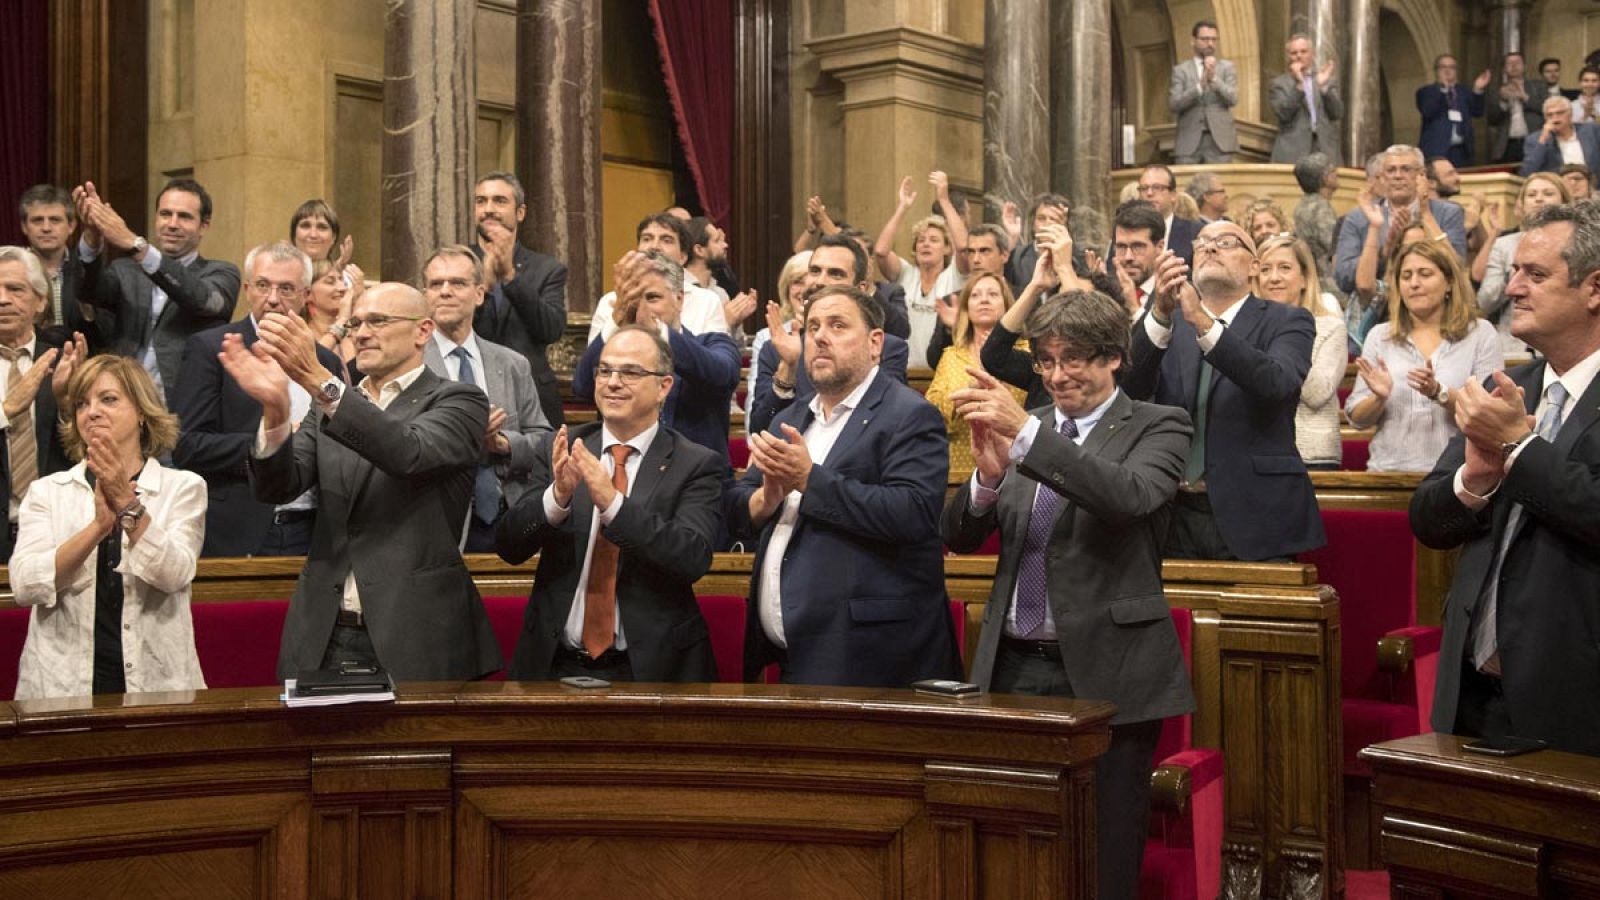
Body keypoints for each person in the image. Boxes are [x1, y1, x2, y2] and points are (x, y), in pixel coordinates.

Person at [943, 289, 1194, 900]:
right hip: (1014, 666)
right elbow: (958, 534)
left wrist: (1028, 435)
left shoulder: (1160, 424)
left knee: (1105, 850)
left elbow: (1125, 497)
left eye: (1073, 359)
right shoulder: (1028, 430)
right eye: (1047, 361)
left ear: (1114, 359)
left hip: (1111, 673)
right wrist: (987, 478)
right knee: (1014, 836)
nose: (1057, 375)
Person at [223, 282, 502, 680]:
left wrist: (320, 381)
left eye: (378, 321)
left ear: (423, 331)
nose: (362, 333)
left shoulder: (459, 399)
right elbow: (277, 488)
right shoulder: (332, 407)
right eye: (355, 323)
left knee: (417, 745)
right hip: (325, 630)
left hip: (416, 631)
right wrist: (275, 411)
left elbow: (409, 452)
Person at [1411, 201, 1600, 756]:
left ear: (1595, 289)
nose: (1512, 288)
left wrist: (1519, 447)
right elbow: (1427, 520)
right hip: (1470, 692)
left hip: (1575, 699)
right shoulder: (1505, 387)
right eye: (1514, 271)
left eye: (1535, 274)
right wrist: (1474, 478)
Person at [728, 285, 961, 687]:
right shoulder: (793, 416)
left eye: (837, 325)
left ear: (875, 344)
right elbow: (736, 503)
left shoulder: (909, 414)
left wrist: (809, 479)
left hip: (870, 658)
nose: (819, 336)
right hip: (788, 656)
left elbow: (913, 513)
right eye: (813, 326)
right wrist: (765, 498)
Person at [496, 326, 724, 683]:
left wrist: (613, 504)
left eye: (630, 372)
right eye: (604, 370)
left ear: (664, 387)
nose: (612, 382)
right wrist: (557, 499)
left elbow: (691, 557)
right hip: (555, 665)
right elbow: (510, 545)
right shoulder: (564, 447)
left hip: (651, 669)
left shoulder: (695, 464)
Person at [1124, 221, 1324, 560]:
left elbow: (1276, 383)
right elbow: (1128, 392)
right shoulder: (1168, 323)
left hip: (1257, 513)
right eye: (1201, 243)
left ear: (1255, 267)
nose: (1210, 247)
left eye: (1227, 242)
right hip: (1171, 512)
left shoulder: (1288, 320)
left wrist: (1203, 323)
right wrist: (1158, 312)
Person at [10, 354, 206, 699]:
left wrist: (128, 506)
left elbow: (174, 573)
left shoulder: (184, 487)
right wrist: (98, 528)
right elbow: (25, 585)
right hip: (60, 684)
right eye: (82, 403)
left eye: (109, 399)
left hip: (156, 682)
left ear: (143, 412)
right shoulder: (47, 492)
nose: (92, 412)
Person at [171, 241, 348, 557]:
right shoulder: (212, 349)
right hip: (239, 526)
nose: (273, 299)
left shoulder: (325, 362)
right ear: (247, 289)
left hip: (313, 528)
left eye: (287, 288)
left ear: (306, 295)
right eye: (264, 286)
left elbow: (340, 432)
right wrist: (272, 444)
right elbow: (187, 445)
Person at [420, 245, 552, 552]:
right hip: (437, 520)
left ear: (479, 294)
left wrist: (503, 444)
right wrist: (466, 438)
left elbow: (543, 441)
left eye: (458, 283)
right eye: (436, 284)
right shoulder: (411, 363)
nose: (446, 292)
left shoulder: (512, 363)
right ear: (425, 295)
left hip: (509, 517)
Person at [72, 178, 240, 402]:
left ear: (204, 226)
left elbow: (202, 300)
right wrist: (92, 237)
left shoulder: (221, 273)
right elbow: (87, 291)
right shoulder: (125, 270)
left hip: (183, 406)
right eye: (165, 214)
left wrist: (136, 245)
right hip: (123, 399)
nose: (172, 223)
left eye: (185, 217)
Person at [1346, 239, 1501, 472]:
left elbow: (1491, 415)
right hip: (1387, 472)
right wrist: (1378, 398)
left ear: (1449, 282)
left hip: (1456, 475)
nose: (1414, 283)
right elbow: (1357, 419)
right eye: (1406, 276)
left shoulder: (1480, 333)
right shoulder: (1380, 336)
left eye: (1425, 274)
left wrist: (1439, 393)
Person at [572, 252, 739, 468]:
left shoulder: (711, 343)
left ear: (679, 299)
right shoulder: (615, 353)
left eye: (652, 298)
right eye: (631, 298)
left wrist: (656, 330)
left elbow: (721, 374)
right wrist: (615, 321)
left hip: (695, 484)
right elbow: (582, 386)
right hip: (622, 478)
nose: (639, 308)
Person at [747, 235, 911, 435]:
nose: (819, 281)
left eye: (835, 274)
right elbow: (761, 430)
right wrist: (788, 369)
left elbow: (886, 424)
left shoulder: (887, 348)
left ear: (860, 289)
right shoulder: (777, 349)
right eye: (815, 271)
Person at [471, 172, 569, 428]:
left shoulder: (547, 268)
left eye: (499, 201)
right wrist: (485, 289)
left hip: (531, 396)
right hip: (471, 388)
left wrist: (511, 279)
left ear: (520, 212)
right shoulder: (456, 264)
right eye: (481, 201)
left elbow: (550, 329)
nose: (488, 209)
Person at [0, 247, 77, 561]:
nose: (2, 299)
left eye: (15, 289)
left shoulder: (65, 363)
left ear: (41, 301)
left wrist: (65, 406)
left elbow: (89, 453)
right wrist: (4, 412)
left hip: (56, 532)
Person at [1256, 236, 1346, 469]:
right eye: (1265, 270)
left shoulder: (1329, 326)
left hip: (1313, 455)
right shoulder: (1248, 328)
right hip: (1258, 450)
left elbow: (1317, 395)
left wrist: (1287, 341)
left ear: (1305, 278)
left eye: (1284, 268)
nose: (1274, 277)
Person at [924, 272, 1029, 471]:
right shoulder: (951, 355)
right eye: (975, 295)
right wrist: (968, 393)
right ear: (966, 309)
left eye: (993, 294)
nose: (984, 299)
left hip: (1019, 468)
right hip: (960, 469)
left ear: (1008, 306)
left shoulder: (1027, 353)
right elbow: (931, 410)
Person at [1334, 144, 1468, 298]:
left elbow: (1458, 267)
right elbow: (1343, 277)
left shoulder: (1448, 213)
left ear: (1422, 175)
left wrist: (1425, 214)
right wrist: (1385, 253)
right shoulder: (1359, 217)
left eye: (1406, 169)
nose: (1397, 176)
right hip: (1378, 306)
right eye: (1391, 170)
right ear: (1383, 178)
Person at [873, 172, 969, 367]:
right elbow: (881, 251)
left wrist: (944, 200)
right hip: (904, 370)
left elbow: (963, 247)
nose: (926, 244)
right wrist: (903, 207)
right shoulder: (906, 273)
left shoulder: (955, 275)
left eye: (934, 240)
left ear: (946, 248)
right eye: (921, 240)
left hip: (942, 371)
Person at [587, 213, 728, 345]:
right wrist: (616, 321)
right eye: (647, 239)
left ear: (683, 257)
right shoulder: (610, 302)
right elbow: (591, 366)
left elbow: (714, 364)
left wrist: (662, 331)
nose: (654, 246)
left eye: (666, 240)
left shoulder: (706, 302)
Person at [1474, 172, 1570, 356]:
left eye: (1548, 193)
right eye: (1532, 195)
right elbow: (1484, 303)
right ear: (1521, 205)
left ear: (1564, 201)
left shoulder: (1578, 245)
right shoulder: (1504, 246)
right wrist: (1511, 276)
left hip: (1564, 344)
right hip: (1513, 350)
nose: (1539, 199)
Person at [17, 185, 95, 342]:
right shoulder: (12, 271)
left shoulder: (87, 270)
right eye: (37, 220)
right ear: (24, 227)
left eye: (55, 220)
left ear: (71, 226)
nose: (46, 228)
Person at [747, 251, 810, 418]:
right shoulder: (767, 338)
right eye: (797, 282)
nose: (804, 291)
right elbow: (755, 419)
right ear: (786, 289)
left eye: (811, 283)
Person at [1169, 20, 1238, 163]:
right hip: (1188, 141)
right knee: (1186, 183)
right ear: (1193, 41)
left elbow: (1233, 98)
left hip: (1220, 141)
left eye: (1214, 39)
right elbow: (1174, 104)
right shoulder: (1181, 70)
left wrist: (1214, 80)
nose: (1210, 44)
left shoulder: (1227, 68)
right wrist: (1199, 87)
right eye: (1205, 39)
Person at [1270, 34, 1344, 165]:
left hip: (1325, 150)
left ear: (1312, 54)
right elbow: (1284, 114)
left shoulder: (1325, 79)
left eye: (1303, 51)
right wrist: (1299, 85)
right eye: (1294, 53)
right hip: (1293, 152)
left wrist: (1324, 88)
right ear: (1289, 57)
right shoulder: (1279, 84)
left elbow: (1337, 113)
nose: (1299, 55)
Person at [1417, 54, 1491, 167]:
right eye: (1443, 67)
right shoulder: (1426, 92)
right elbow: (1428, 111)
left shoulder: (1464, 92)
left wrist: (1477, 89)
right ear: (1436, 71)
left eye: (1451, 67)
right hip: (1437, 150)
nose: (1447, 71)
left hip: (1461, 150)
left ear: (1456, 71)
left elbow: (1477, 112)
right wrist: (1444, 90)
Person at [1133, 165, 1201, 267]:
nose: (1149, 193)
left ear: (1173, 195)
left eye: (1157, 187)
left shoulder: (1194, 232)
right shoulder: (1127, 231)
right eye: (1144, 188)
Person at [1293, 154, 1341, 295]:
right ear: (1325, 179)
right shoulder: (1320, 208)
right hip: (1328, 285)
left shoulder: (1302, 205)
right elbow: (1334, 247)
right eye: (1332, 171)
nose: (1337, 173)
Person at [1001, 193, 1071, 289]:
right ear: (1033, 224)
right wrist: (1012, 239)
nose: (1047, 223)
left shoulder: (1077, 258)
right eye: (1041, 218)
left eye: (1054, 219)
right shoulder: (1017, 257)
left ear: (1064, 225)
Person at [1489, 52, 1546, 165]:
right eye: (1509, 63)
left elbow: (1546, 109)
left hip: (1532, 140)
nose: (1514, 66)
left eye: (1517, 63)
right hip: (1508, 145)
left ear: (1524, 66)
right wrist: (1503, 102)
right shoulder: (1498, 90)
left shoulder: (1538, 86)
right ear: (1504, 68)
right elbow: (1492, 119)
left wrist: (1524, 97)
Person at [1521, 95, 1600, 176]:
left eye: (1560, 113)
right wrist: (1543, 139)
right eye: (1550, 115)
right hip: (1559, 186)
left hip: (1593, 185)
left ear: (1570, 114)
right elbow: (1527, 172)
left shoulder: (1592, 130)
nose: (1555, 118)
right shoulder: (1536, 139)